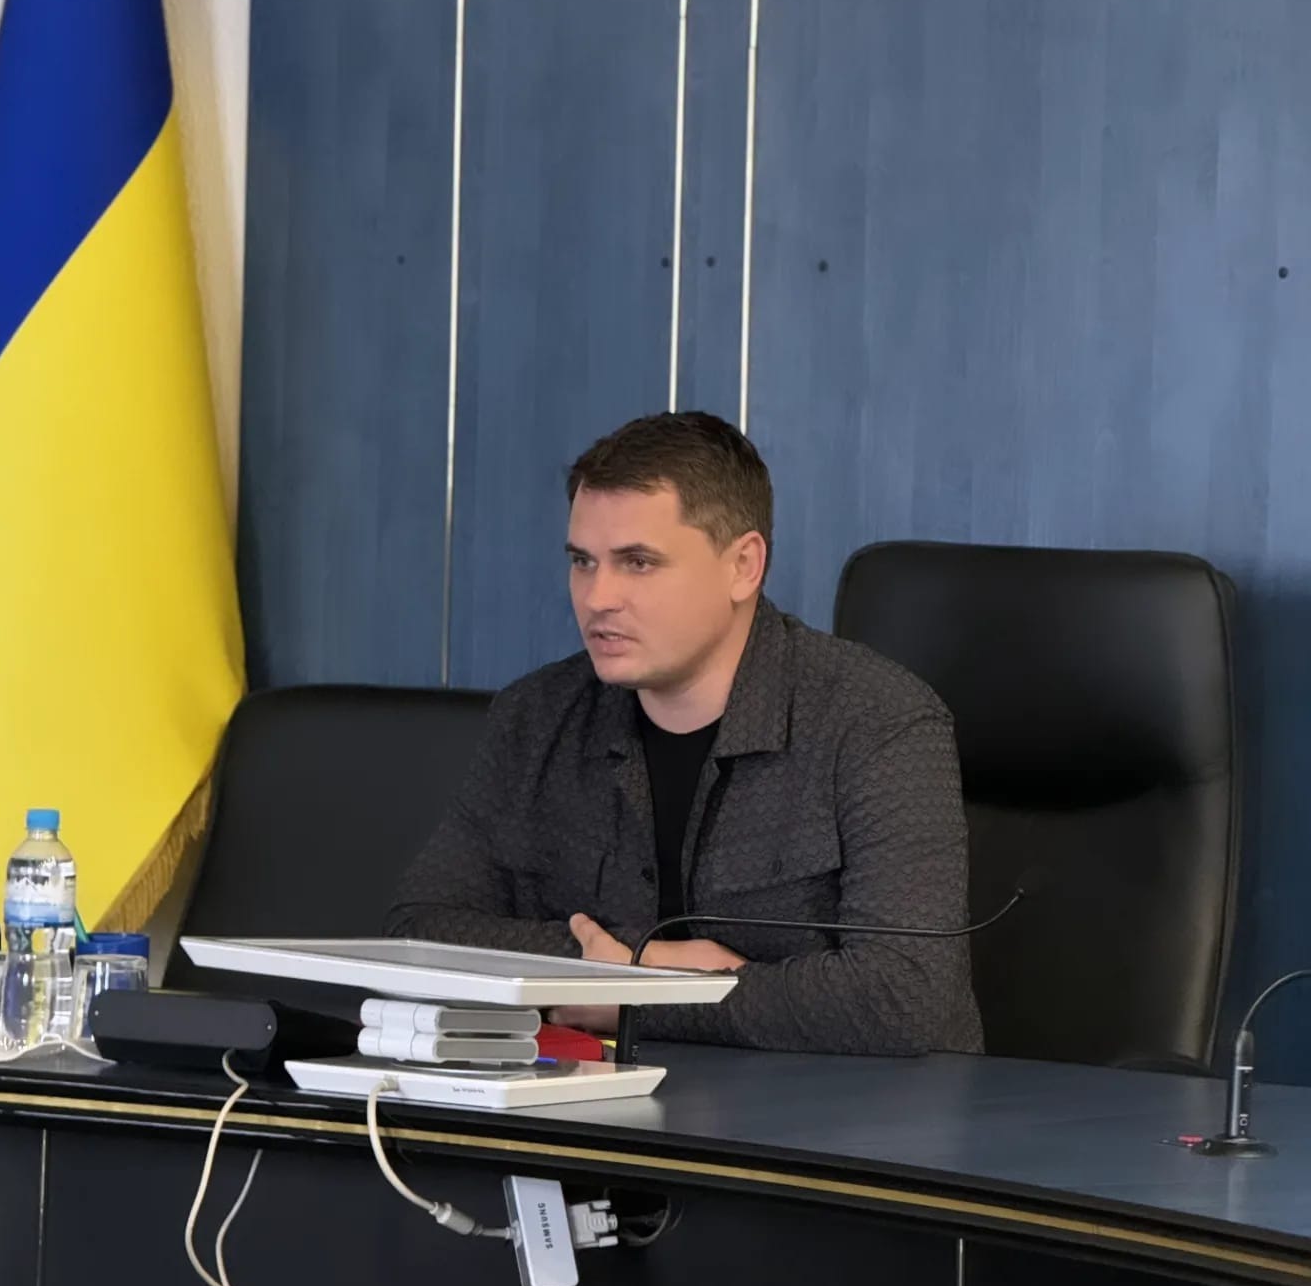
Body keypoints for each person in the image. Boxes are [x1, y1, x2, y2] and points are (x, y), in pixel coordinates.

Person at [386, 411, 982, 1053]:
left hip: (842, 1107)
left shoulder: (878, 720)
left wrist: (641, 995)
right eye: (583, 561)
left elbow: (905, 997)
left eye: (638, 563)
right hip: (603, 1100)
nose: (598, 597)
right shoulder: (536, 716)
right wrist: (625, 968)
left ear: (743, 566)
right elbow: (417, 934)